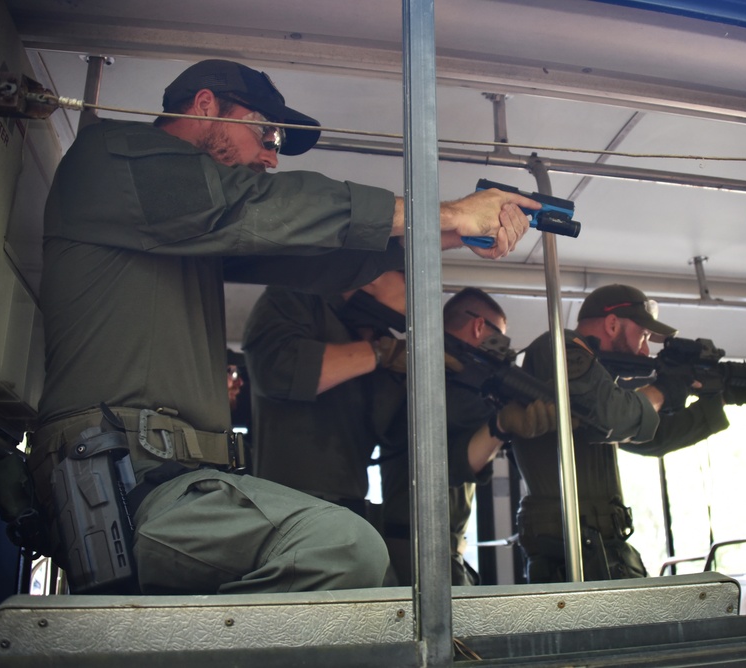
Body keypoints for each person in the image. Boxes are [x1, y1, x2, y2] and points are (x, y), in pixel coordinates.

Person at [28, 58, 536, 595]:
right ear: (205, 106)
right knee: (345, 550)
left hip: (164, 482)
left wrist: (450, 237)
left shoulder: (182, 227)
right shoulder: (112, 157)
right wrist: (447, 212)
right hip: (116, 481)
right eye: (266, 132)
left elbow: (311, 252)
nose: (270, 156)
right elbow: (264, 209)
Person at [512, 284, 746, 583]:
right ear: (612, 324)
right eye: (644, 335)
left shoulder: (600, 385)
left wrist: (720, 399)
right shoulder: (559, 347)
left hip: (596, 548)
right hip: (570, 551)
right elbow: (614, 416)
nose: (646, 349)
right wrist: (663, 390)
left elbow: (652, 437)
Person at [380, 288, 555, 585]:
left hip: (420, 547)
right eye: (498, 334)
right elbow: (450, 465)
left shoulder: (423, 373)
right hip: (422, 550)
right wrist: (501, 424)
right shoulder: (446, 381)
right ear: (478, 327)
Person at [241, 270, 408, 517]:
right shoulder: (296, 296)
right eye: (409, 284)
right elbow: (279, 370)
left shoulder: (370, 333)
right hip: (284, 509)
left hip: (348, 510)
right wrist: (380, 353)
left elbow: (395, 433)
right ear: (376, 276)